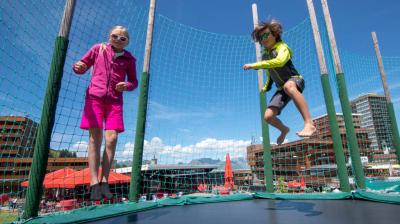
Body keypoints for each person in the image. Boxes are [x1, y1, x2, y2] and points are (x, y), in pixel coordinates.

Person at [73, 25, 138, 201]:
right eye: (115, 36)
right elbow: (82, 65)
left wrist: (127, 86)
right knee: (95, 137)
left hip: (115, 102)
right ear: (109, 36)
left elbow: (133, 81)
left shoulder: (129, 59)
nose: (118, 39)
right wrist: (78, 67)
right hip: (94, 98)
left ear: (127, 42)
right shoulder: (98, 49)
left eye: (122, 38)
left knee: (112, 139)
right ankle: (94, 183)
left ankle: (104, 181)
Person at [243, 20, 316, 145]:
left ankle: (309, 123)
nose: (263, 39)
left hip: (294, 79)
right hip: (281, 88)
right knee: (268, 116)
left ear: (275, 35)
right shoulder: (265, 55)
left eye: (266, 35)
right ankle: (284, 130)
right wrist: (267, 86)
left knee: (289, 86)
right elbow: (270, 72)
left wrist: (255, 65)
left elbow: (280, 62)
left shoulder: (283, 47)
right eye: (260, 38)